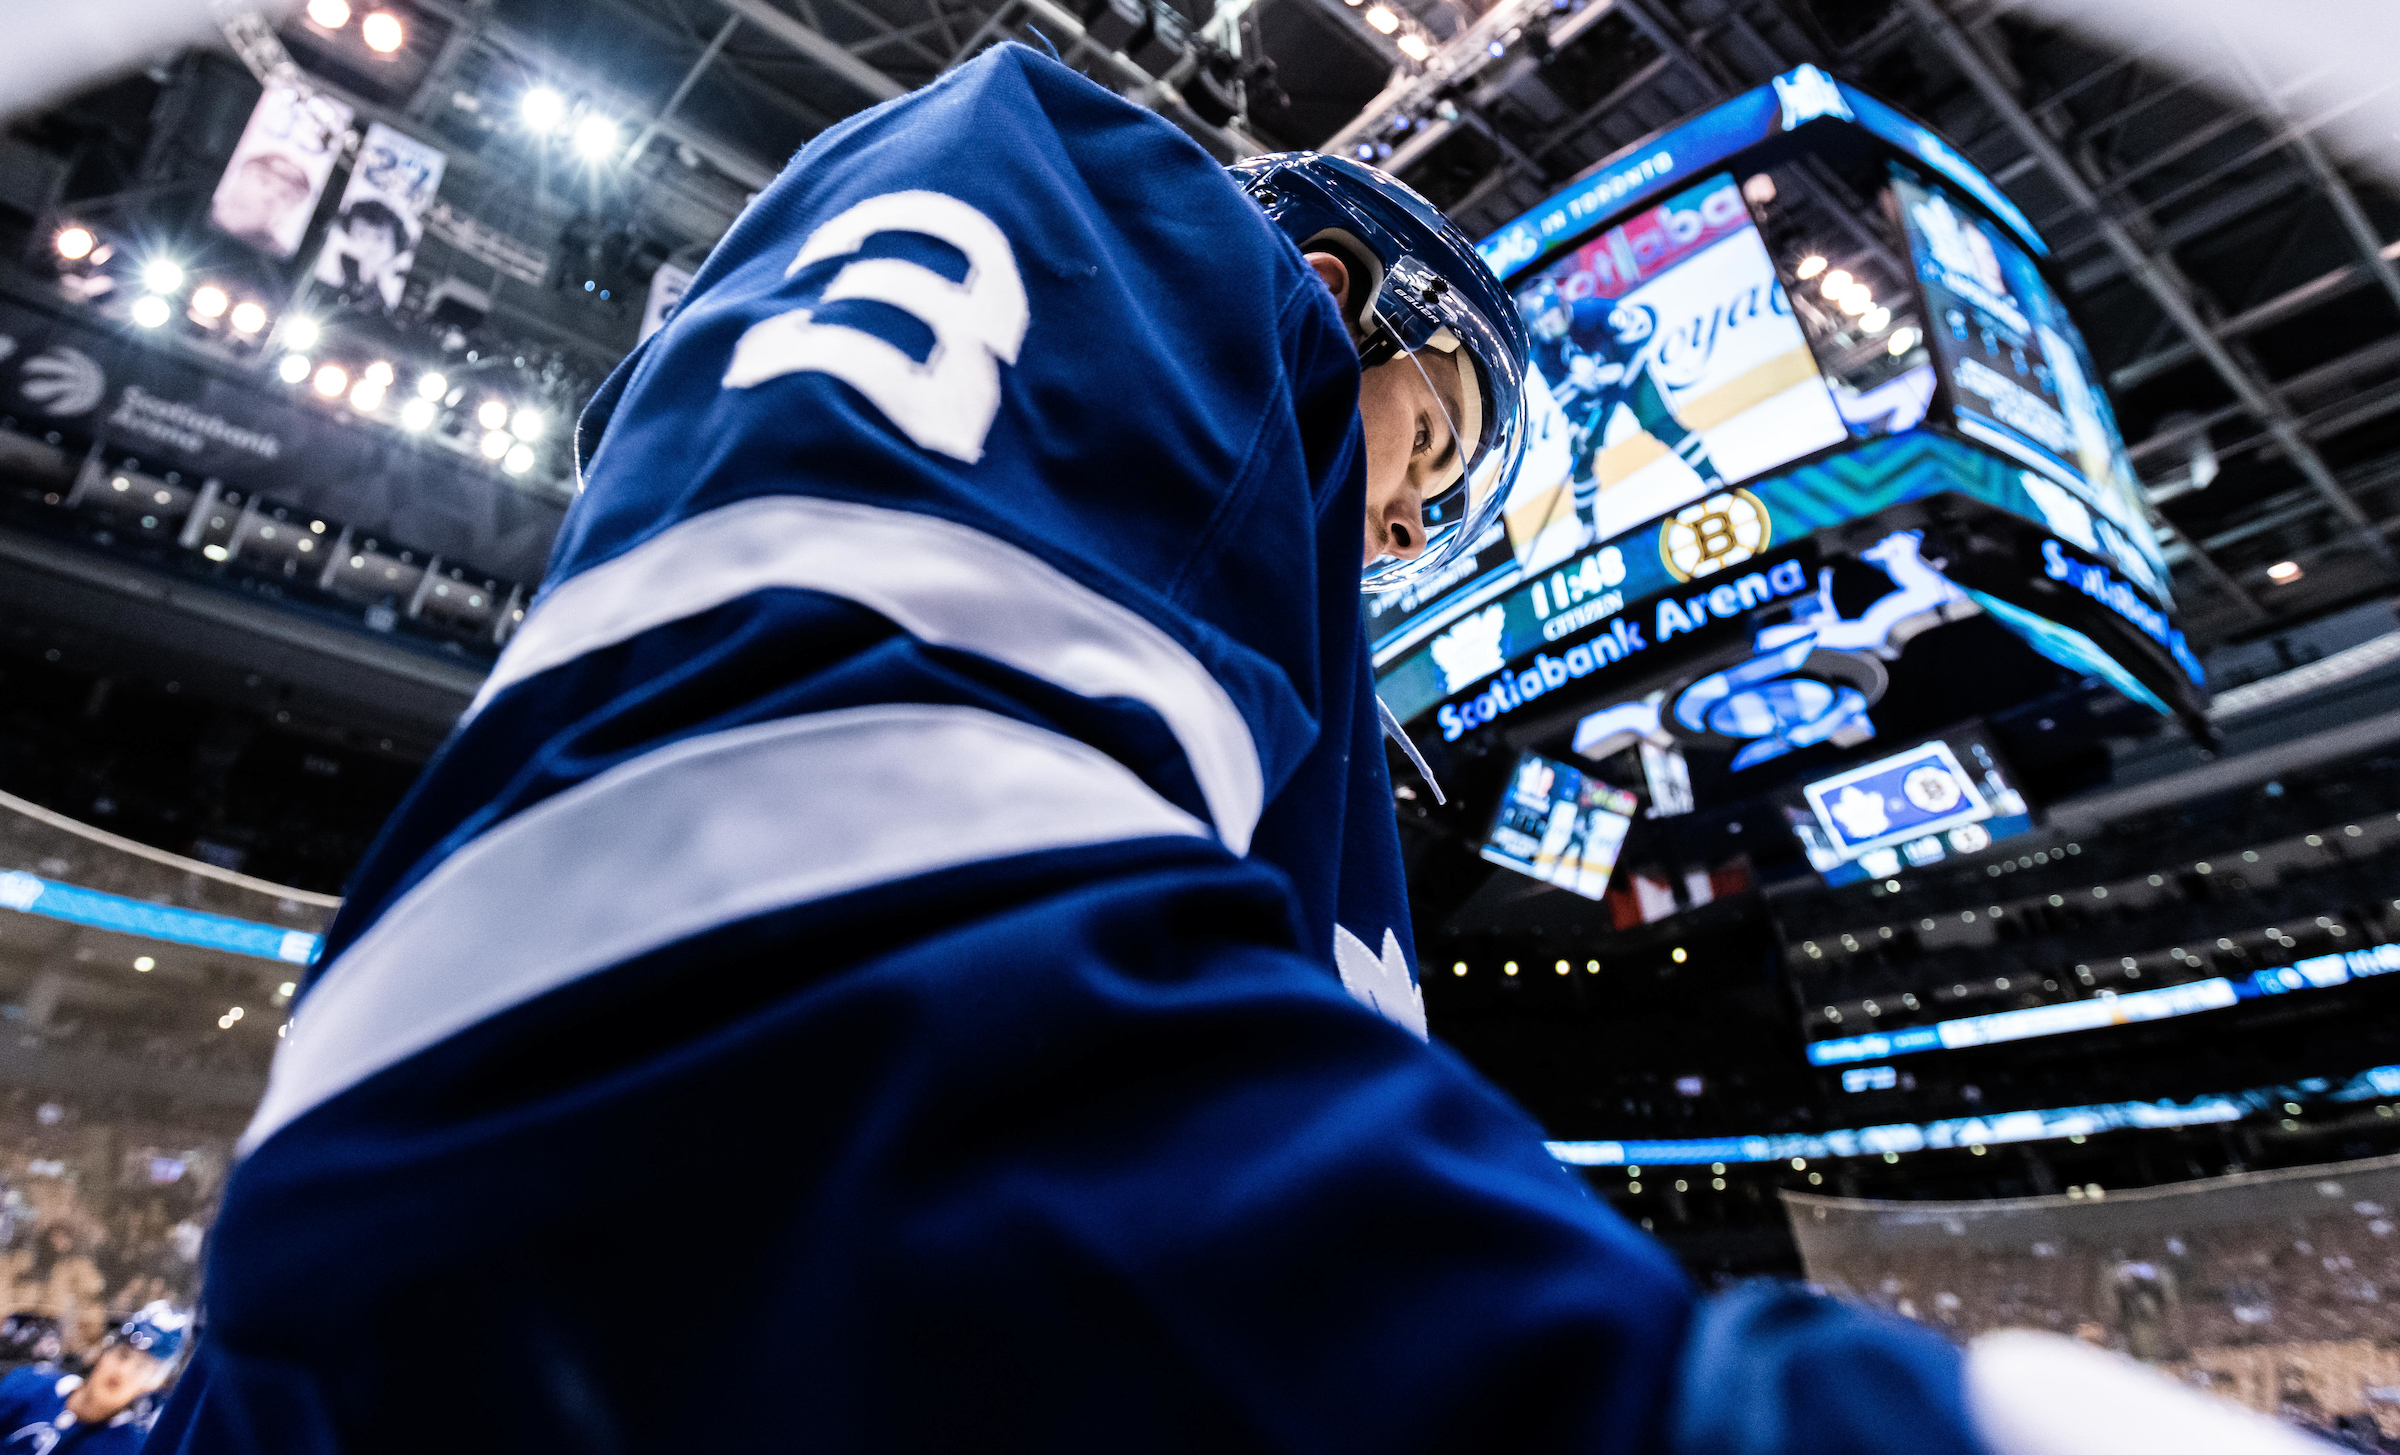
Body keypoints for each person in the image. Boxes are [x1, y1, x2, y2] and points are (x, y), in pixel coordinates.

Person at [154, 42, 2323, 1455]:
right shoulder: (1099, 203)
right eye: (1438, 446)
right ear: (1336, 284)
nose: (1397, 526)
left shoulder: (1266, 719)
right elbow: (721, 1022)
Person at [0, 1302, 184, 1452]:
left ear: (156, 1383)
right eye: (123, 1355)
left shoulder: (130, 1449)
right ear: (103, 1351)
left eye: (142, 1367)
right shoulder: (30, 1383)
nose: (122, 1371)